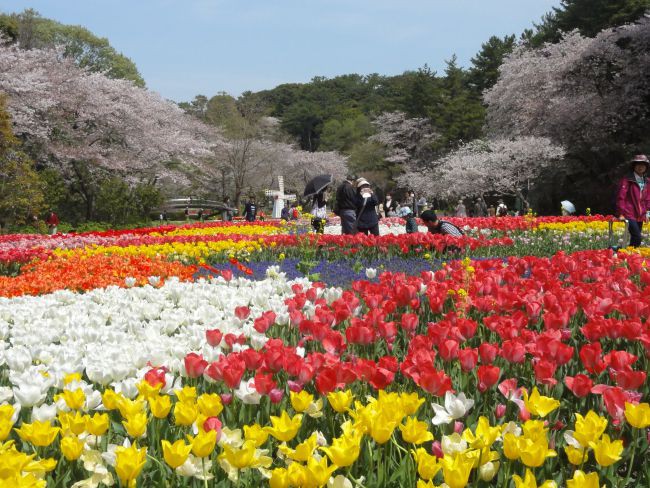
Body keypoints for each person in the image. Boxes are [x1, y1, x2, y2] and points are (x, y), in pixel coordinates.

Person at [616, 154, 650, 247]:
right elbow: (621, 197)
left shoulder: (647, 181)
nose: (640, 167)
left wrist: (648, 213)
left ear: (646, 167)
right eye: (638, 164)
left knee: (635, 240)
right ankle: (626, 255)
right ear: (634, 166)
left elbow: (648, 199)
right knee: (637, 237)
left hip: (640, 214)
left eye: (643, 164)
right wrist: (621, 213)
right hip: (628, 213)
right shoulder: (627, 180)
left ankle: (625, 255)